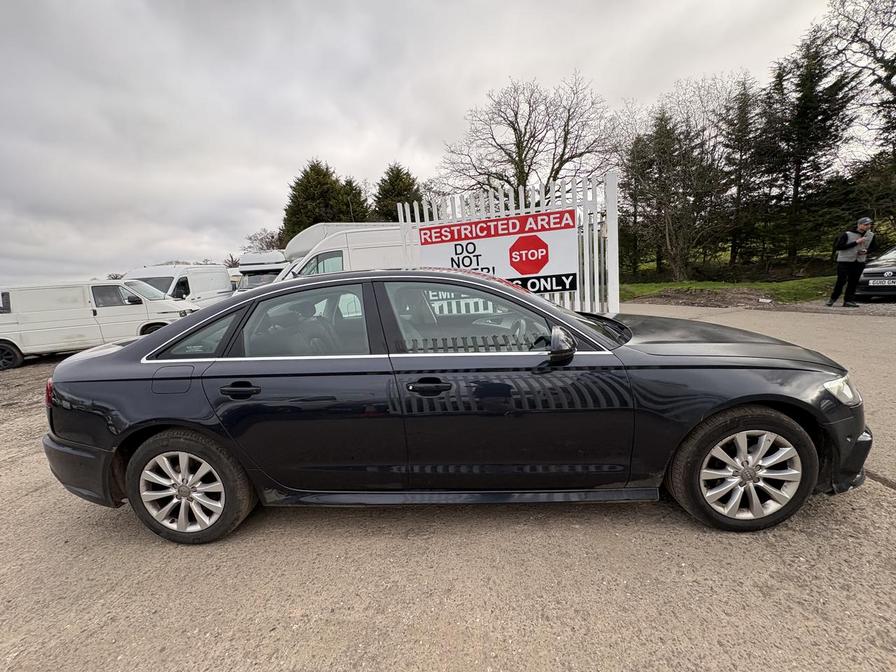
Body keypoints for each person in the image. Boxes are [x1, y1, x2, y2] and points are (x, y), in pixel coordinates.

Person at [827, 217, 874, 307]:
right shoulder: (847, 234)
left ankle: (848, 301)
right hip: (845, 261)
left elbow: (874, 247)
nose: (868, 226)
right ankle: (833, 299)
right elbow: (839, 247)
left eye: (869, 224)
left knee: (854, 281)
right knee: (841, 281)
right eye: (866, 224)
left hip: (859, 261)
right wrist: (856, 242)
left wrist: (866, 251)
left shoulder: (871, 235)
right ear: (859, 225)